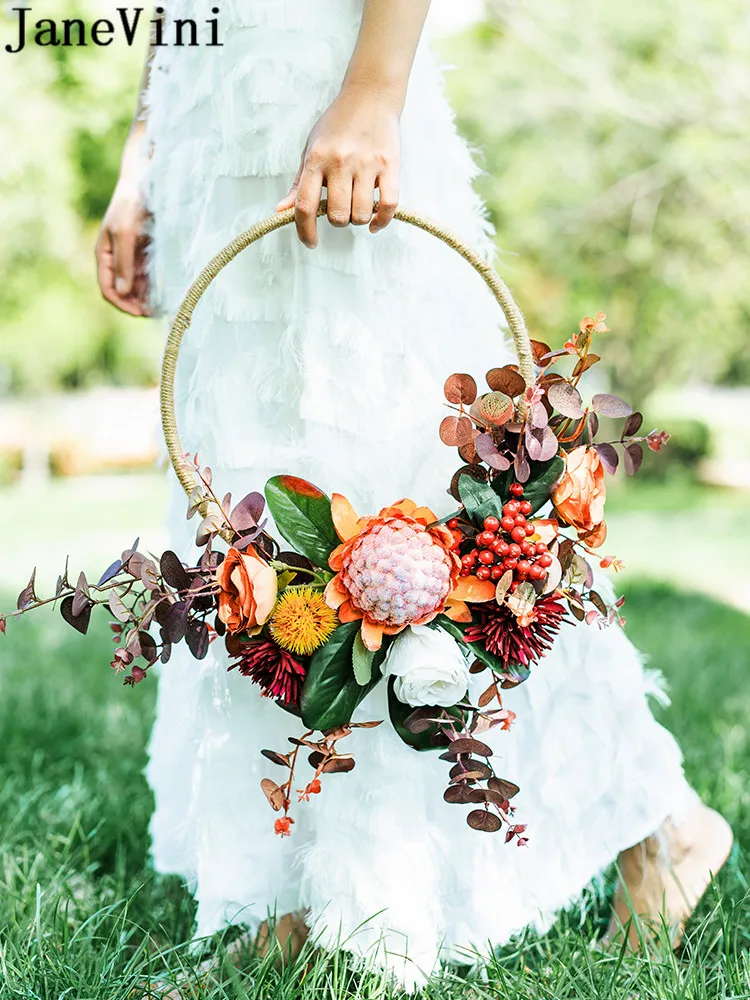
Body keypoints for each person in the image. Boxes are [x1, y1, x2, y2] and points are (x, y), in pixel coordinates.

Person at [96, 0, 732, 989]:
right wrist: (144, 148)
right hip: (206, 126)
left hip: (327, 90)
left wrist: (371, 90)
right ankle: (299, 893)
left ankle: (639, 828)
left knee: (404, 511)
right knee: (250, 523)